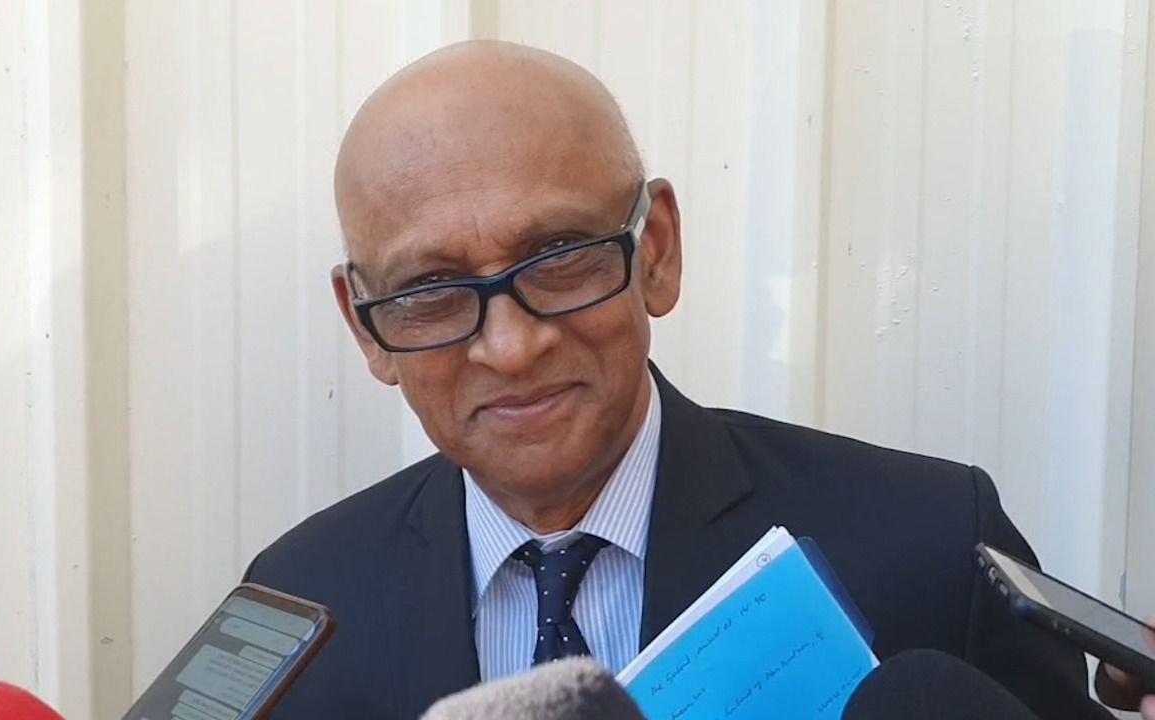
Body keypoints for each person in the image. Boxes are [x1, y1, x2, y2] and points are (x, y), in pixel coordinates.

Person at [244, 40, 1141, 719]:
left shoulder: (931, 548)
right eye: (432, 291)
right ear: (365, 326)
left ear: (658, 252)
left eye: (559, 257)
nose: (511, 349)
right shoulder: (299, 610)